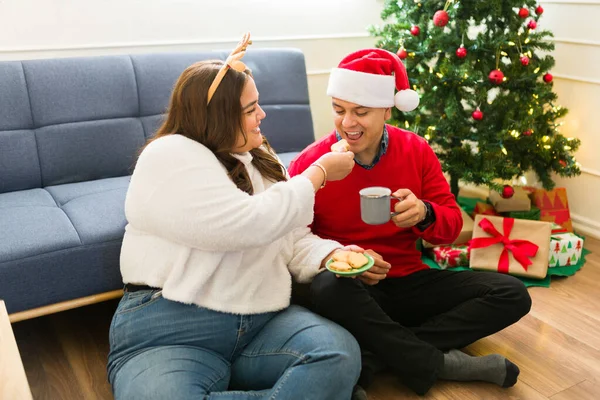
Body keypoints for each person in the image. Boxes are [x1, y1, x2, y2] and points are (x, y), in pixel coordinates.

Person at [106, 33, 363, 400]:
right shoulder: (167, 155)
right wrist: (318, 173)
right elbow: (244, 224)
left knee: (338, 353)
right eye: (249, 109)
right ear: (216, 117)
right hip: (171, 330)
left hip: (259, 322)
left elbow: (289, 236)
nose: (262, 115)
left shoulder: (262, 159)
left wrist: (330, 255)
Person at [288, 48, 532, 396]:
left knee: (511, 293)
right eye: (339, 110)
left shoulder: (416, 150)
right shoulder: (314, 163)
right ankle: (436, 361)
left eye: (361, 112)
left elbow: (450, 225)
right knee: (328, 288)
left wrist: (425, 214)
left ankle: (378, 356)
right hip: (352, 289)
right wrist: (340, 259)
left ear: (387, 110)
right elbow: (293, 240)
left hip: (409, 281)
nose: (347, 122)